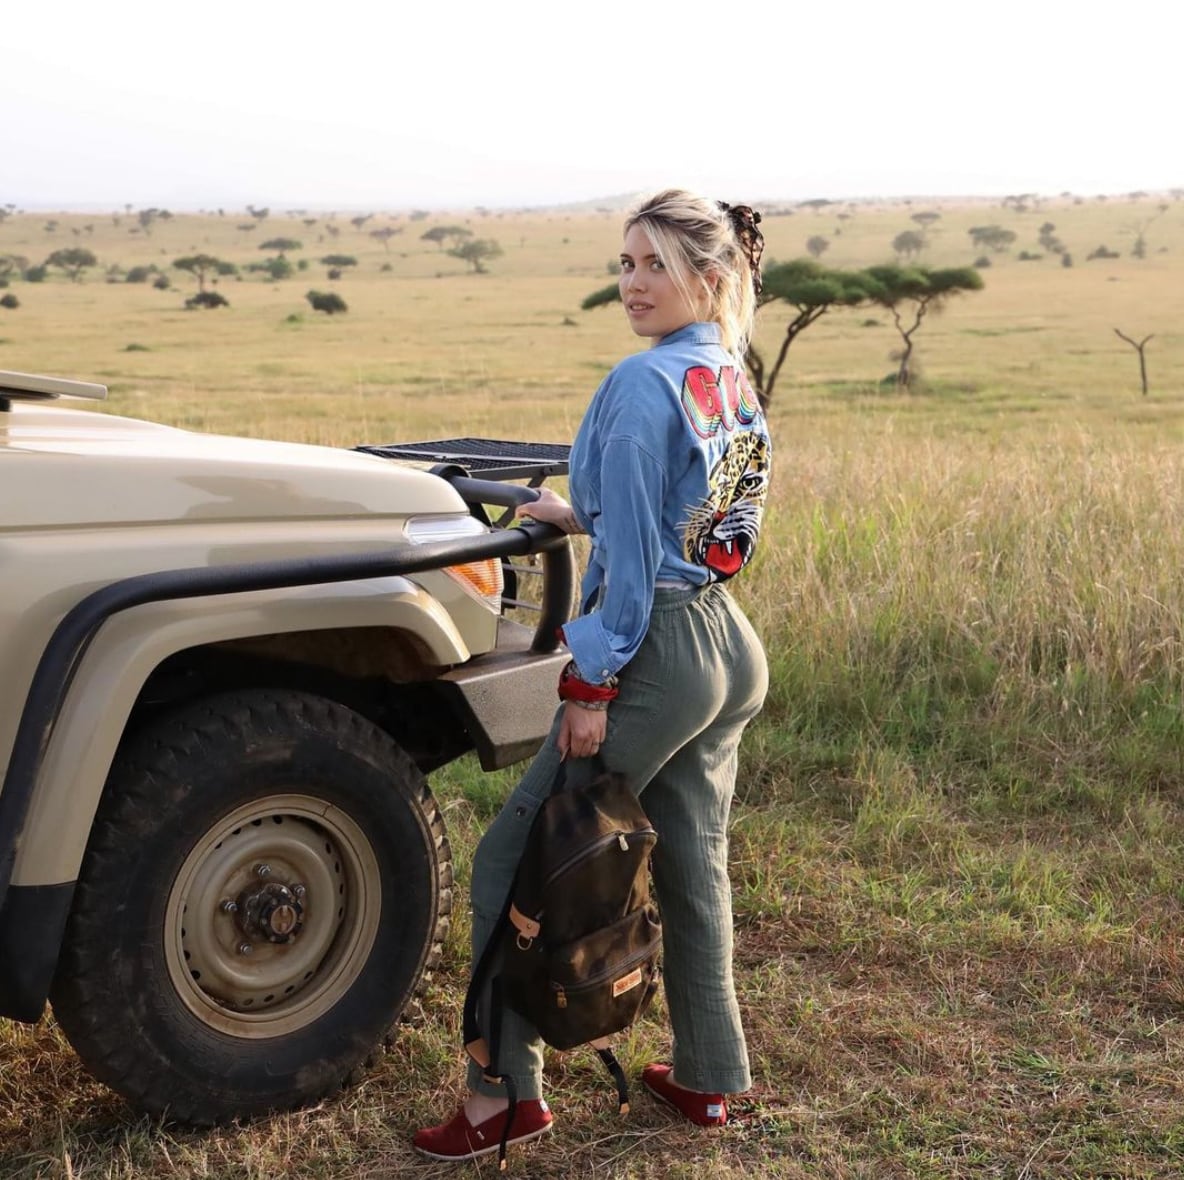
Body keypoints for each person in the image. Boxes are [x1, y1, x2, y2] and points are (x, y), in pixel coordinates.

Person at [413, 189, 772, 1163]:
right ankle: (706, 1077)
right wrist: (587, 514)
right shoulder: (723, 375)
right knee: (693, 864)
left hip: (654, 647)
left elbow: (633, 567)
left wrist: (587, 687)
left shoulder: (637, 382)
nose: (632, 284)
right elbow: (690, 517)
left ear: (707, 274)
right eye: (623, 264)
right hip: (726, 642)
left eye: (654, 263)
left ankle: (500, 1099)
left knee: (515, 861)